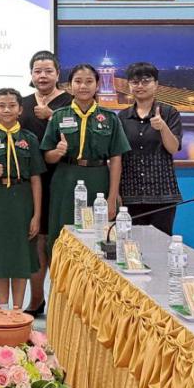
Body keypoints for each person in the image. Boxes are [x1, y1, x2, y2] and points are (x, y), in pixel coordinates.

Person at [41, 63, 130, 257]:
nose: (83, 86)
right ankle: (63, 276)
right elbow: (47, 156)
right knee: (62, 235)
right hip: (66, 179)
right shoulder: (59, 116)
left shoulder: (109, 118)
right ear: (70, 86)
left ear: (97, 85)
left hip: (98, 180)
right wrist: (58, 152)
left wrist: (112, 197)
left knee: (99, 236)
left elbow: (116, 158)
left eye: (89, 81)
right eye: (78, 81)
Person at [0, 88, 45, 310]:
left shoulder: (29, 139)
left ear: (20, 109)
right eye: (1, 106)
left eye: (12, 105)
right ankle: (3, 309)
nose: (7, 110)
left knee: (21, 256)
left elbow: (35, 178)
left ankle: (17, 311)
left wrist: (36, 215)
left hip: (22, 199)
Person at [19, 50, 72, 316]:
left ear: (57, 74)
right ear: (31, 74)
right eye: (37, 71)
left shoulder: (71, 103)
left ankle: (62, 303)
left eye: (48, 71)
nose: (42, 76)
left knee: (62, 242)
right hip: (32, 182)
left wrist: (52, 115)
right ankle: (36, 299)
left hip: (64, 178)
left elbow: (78, 137)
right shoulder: (22, 104)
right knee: (36, 241)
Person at [117, 62, 183, 235]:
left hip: (162, 194)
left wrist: (162, 127)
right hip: (130, 194)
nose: (140, 86)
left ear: (156, 84)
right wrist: (115, 192)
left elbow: (173, 148)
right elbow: (117, 156)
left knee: (160, 245)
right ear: (129, 85)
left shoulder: (169, 113)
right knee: (130, 244)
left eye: (146, 81)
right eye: (135, 82)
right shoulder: (122, 117)